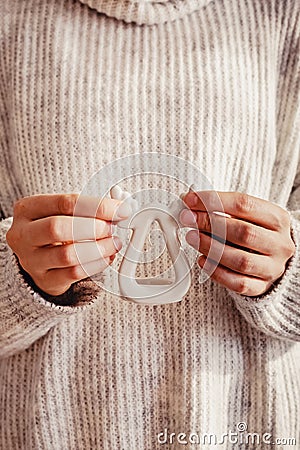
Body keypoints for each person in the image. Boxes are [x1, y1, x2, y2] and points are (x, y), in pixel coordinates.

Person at [0, 0, 299, 448]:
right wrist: (17, 278)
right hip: (50, 429)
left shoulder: (284, 14)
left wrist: (288, 272)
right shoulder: (10, 18)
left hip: (242, 426)